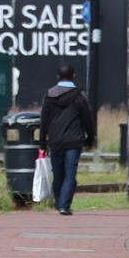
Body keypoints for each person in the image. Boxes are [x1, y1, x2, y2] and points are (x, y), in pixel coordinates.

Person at [39, 64, 95, 215]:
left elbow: (44, 121)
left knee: (58, 174)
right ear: (74, 76)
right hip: (74, 141)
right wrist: (90, 138)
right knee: (70, 174)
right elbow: (87, 119)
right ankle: (64, 206)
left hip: (55, 141)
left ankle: (59, 203)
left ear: (58, 77)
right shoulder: (79, 95)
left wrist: (42, 142)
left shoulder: (49, 95)